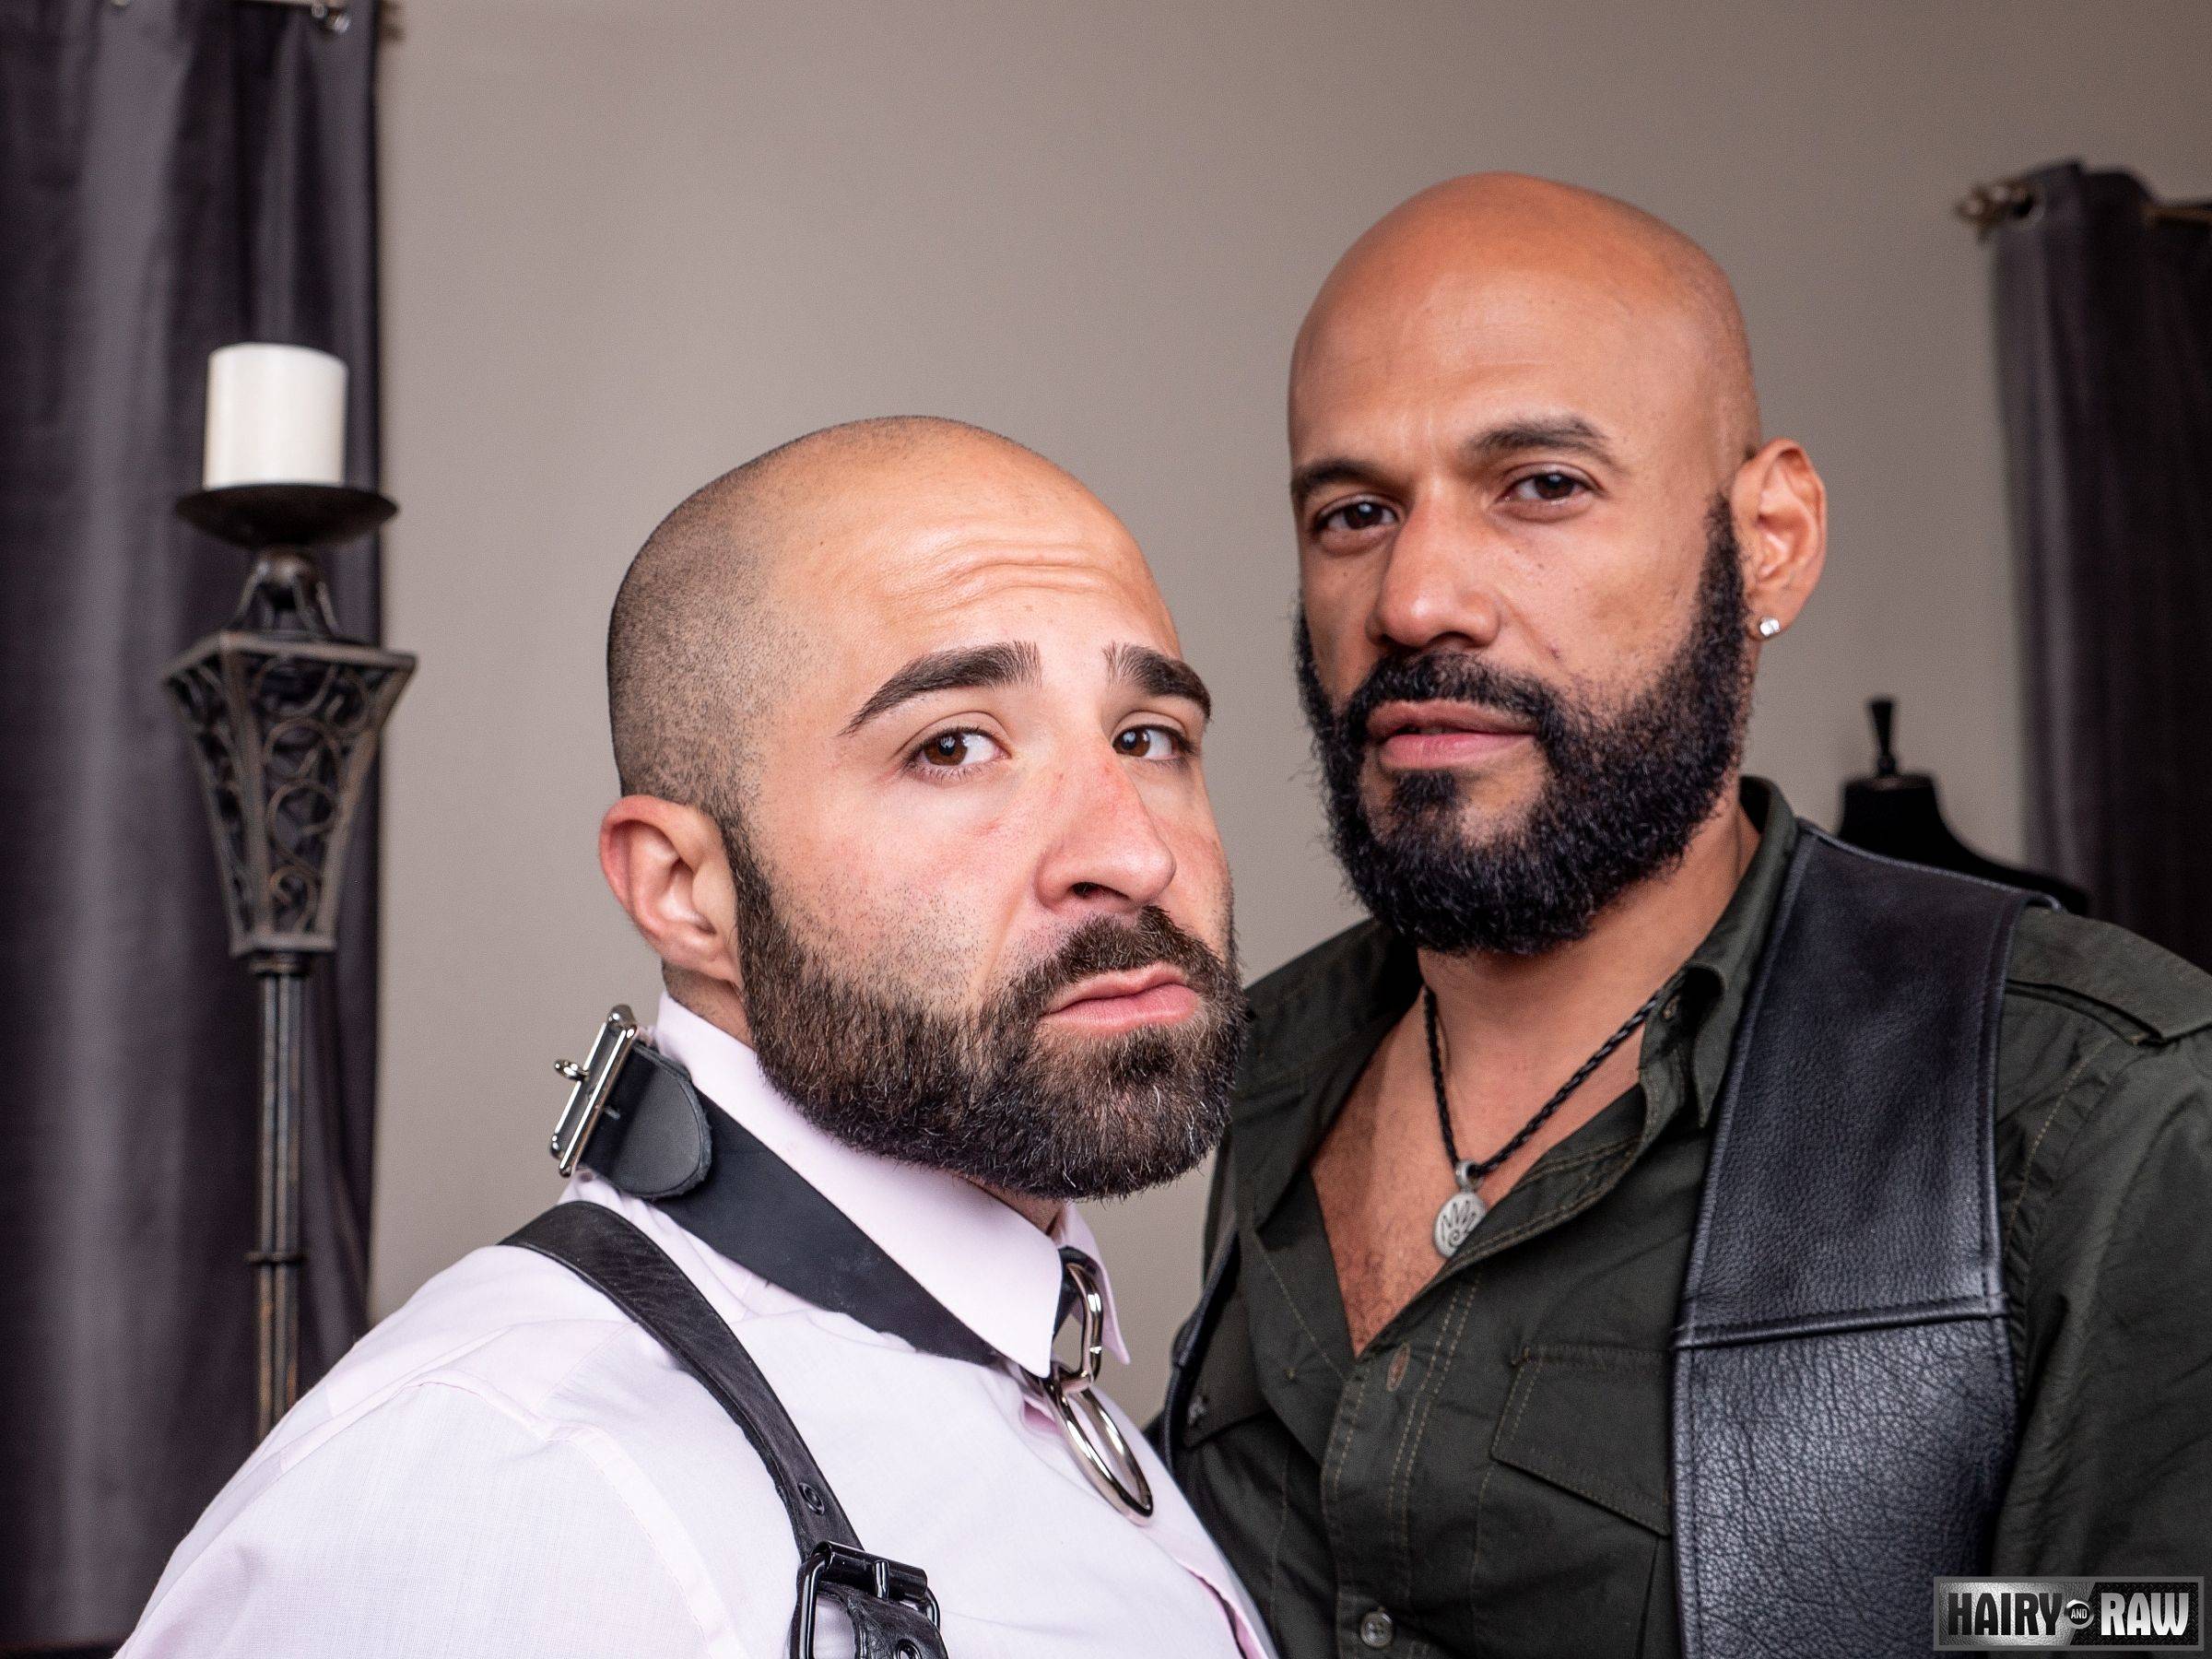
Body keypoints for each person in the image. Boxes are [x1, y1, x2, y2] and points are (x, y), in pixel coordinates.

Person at [1162, 174, 2212, 1658]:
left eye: (1540, 485)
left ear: (1770, 536)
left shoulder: (2097, 1109)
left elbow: (2127, 1628)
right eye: (1355, 512)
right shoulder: (1262, 1063)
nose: (1415, 598)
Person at [125, 418, 1274, 1658]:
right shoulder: (502, 1487)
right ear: (683, 889)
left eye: (1148, 737)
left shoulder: (1053, 1393)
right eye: (952, 747)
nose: (1134, 852)